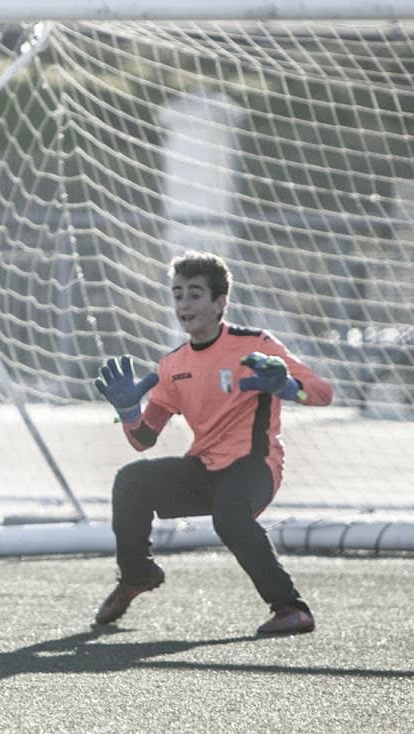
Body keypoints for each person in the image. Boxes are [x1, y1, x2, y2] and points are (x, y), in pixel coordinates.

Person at [92, 250, 333, 635]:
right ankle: (137, 576)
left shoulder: (256, 344)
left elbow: (322, 392)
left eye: (195, 294)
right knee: (131, 481)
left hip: (255, 465)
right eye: (178, 295)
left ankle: (291, 608)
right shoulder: (172, 365)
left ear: (221, 302)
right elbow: (143, 439)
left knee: (230, 513)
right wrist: (128, 411)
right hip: (205, 468)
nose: (184, 305)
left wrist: (287, 386)